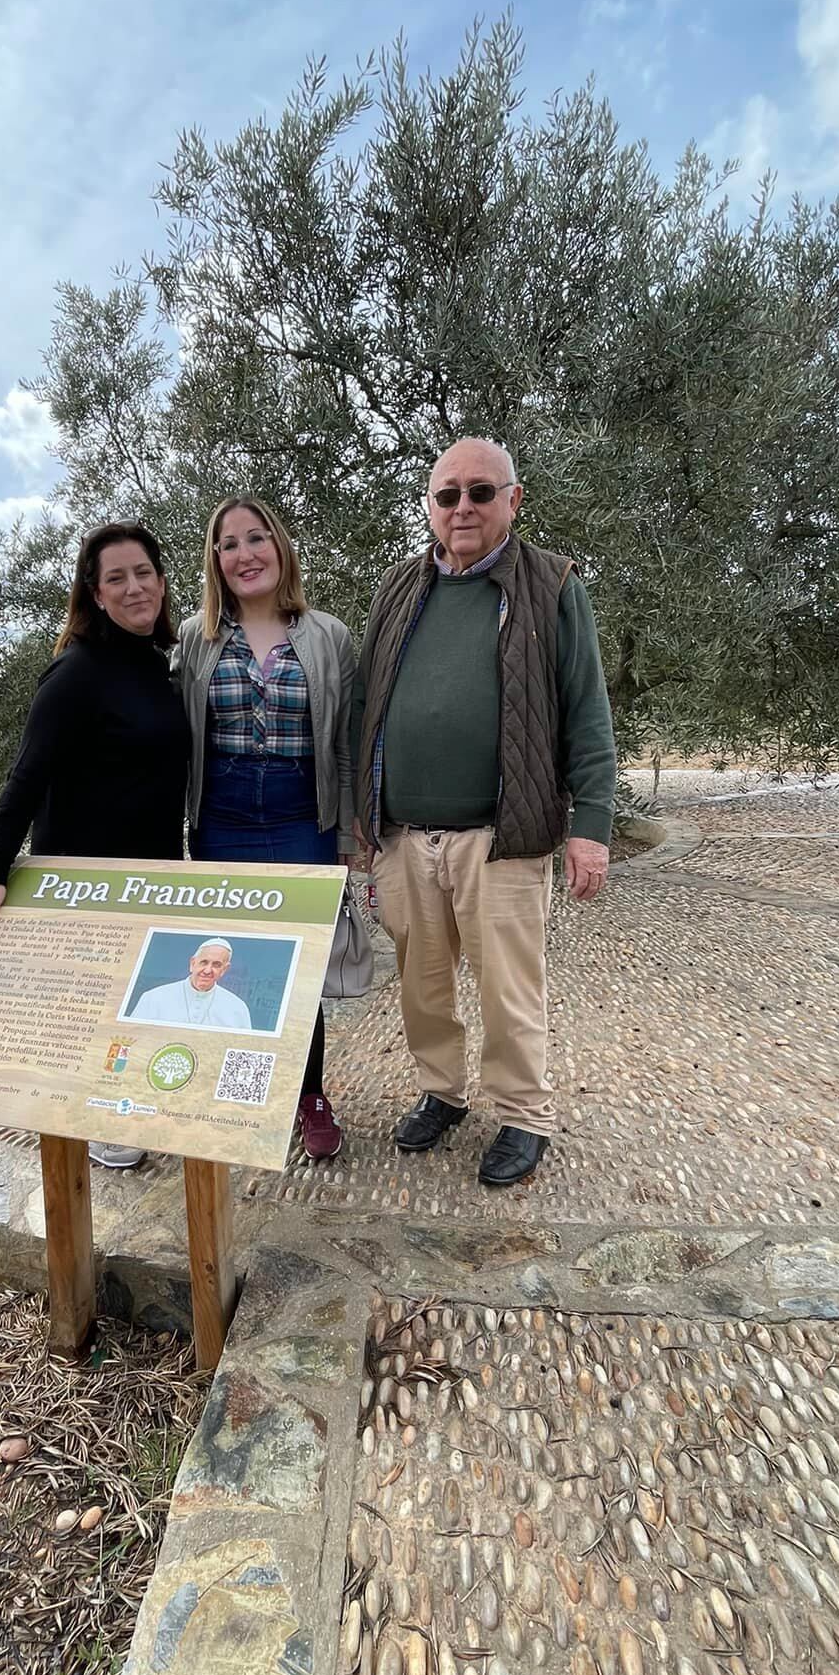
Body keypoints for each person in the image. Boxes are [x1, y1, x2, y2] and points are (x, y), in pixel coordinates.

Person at [353, 438, 617, 1187]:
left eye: (479, 491)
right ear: (431, 507)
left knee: (509, 988)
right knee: (422, 984)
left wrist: (591, 827)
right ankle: (442, 1092)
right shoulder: (399, 587)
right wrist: (358, 823)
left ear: (513, 498)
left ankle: (523, 1113)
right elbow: (368, 708)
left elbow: (586, 713)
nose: (461, 508)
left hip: (500, 837)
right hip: (404, 836)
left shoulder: (551, 584)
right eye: (447, 495)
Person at [0, 520, 189, 1170]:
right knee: (96, 1006)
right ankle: (104, 1121)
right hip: (85, 874)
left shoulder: (164, 662)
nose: (133, 587)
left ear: (162, 580)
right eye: (115, 578)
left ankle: (130, 1103)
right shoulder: (75, 673)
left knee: (139, 999)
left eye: (142, 573)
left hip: (151, 869)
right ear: (95, 594)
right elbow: (26, 775)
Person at [174, 495, 355, 1161]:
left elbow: (344, 741)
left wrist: (347, 831)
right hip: (220, 818)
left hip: (299, 815)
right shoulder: (195, 638)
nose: (244, 554)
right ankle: (243, 1089)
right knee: (232, 965)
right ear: (215, 562)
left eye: (257, 539)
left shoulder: (328, 635)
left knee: (300, 974)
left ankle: (308, 1095)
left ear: (280, 549)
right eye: (229, 544)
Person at [130, 938, 253, 1029]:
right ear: (193, 963)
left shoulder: (238, 1009)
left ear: (224, 970)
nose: (208, 970)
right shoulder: (153, 998)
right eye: (204, 962)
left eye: (216, 965)